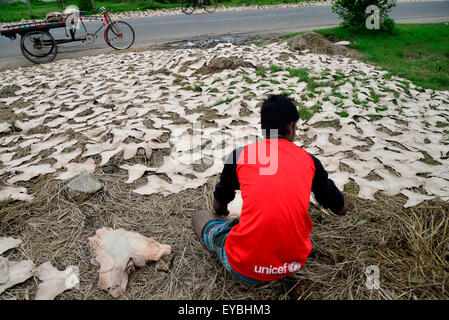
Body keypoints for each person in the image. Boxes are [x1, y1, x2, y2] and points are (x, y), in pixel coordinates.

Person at [192, 94, 348, 284]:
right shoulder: (310, 161)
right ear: (290, 127)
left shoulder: (241, 155)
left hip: (244, 268)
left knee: (200, 216)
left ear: (264, 128)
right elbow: (340, 209)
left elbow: (218, 206)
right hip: (293, 264)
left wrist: (222, 214)